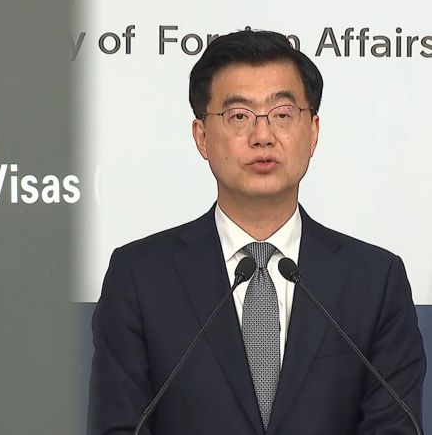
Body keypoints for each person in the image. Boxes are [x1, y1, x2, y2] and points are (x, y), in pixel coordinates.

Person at [87, 30, 426, 435]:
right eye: (239, 116)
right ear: (201, 136)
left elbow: (394, 426)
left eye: (282, 114)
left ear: (312, 131)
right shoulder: (139, 277)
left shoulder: (375, 280)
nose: (263, 136)